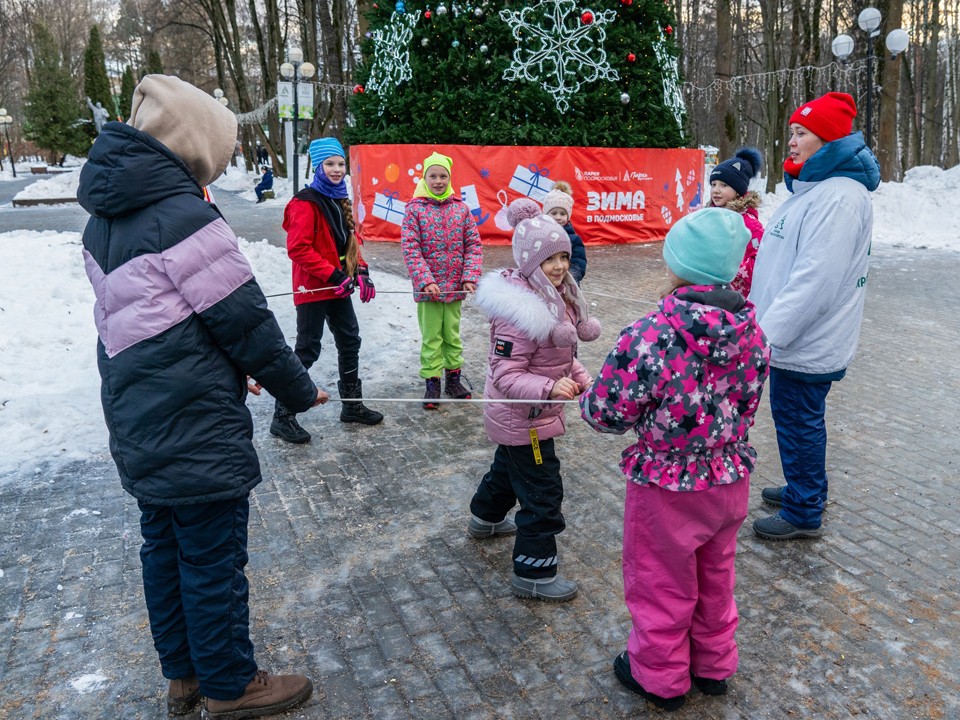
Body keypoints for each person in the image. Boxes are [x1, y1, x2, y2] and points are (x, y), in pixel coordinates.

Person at [77, 75, 324, 719]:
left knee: (163, 547)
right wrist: (297, 390)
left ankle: (184, 676)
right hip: (194, 425)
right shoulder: (184, 214)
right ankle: (229, 684)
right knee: (212, 557)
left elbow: (155, 319)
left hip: (139, 415)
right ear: (195, 144)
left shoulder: (107, 215)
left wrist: (217, 366)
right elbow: (244, 320)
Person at [579, 208, 770, 712]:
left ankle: (660, 676)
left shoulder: (651, 333)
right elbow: (750, 398)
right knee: (715, 573)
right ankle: (713, 664)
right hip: (729, 478)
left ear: (676, 263)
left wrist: (585, 401)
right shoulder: (751, 330)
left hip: (668, 485)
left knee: (661, 580)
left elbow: (607, 412)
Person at [750, 92, 880, 541]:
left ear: (827, 141)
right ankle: (804, 487)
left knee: (799, 420)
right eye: (791, 132)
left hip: (804, 339)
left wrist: (764, 335)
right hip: (794, 336)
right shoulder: (818, 190)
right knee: (797, 420)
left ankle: (804, 509)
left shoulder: (839, 198)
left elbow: (814, 281)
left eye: (802, 133)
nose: (792, 141)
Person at [468, 198, 601, 603]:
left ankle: (485, 519)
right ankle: (534, 572)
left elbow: (562, 358)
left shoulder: (553, 296)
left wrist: (582, 379)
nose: (560, 266)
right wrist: (547, 390)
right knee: (543, 490)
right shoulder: (520, 314)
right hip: (524, 419)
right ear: (529, 262)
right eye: (550, 259)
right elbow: (505, 374)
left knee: (509, 469)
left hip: (526, 416)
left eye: (563, 255)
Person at [272, 136, 383, 443]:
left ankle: (351, 405)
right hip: (313, 288)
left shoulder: (340, 198)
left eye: (340, 164)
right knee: (308, 348)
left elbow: (350, 242)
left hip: (337, 286)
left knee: (350, 340)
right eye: (329, 164)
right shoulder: (305, 202)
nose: (336, 170)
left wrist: (361, 271)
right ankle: (282, 415)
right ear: (317, 167)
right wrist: (335, 275)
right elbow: (299, 249)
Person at [400, 151, 483, 408]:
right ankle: (432, 382)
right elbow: (411, 248)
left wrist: (469, 276)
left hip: (455, 289)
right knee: (431, 337)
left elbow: (473, 245)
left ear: (450, 178)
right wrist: (425, 280)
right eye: (433, 176)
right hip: (429, 291)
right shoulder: (414, 210)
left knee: (452, 336)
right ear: (424, 178)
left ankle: (453, 379)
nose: (438, 181)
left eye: (443, 176)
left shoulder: (461, 209)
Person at [708, 147, 764, 296]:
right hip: (710, 295)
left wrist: (725, 267)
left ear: (738, 190)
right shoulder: (709, 218)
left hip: (737, 299)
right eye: (713, 184)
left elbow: (760, 263)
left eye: (724, 185)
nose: (716, 190)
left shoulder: (751, 225)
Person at [540, 181, 587, 284]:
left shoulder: (574, 239)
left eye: (562, 214)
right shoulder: (539, 235)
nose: (558, 217)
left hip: (566, 283)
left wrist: (572, 277)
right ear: (546, 214)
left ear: (568, 216)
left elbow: (579, 261)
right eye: (554, 213)